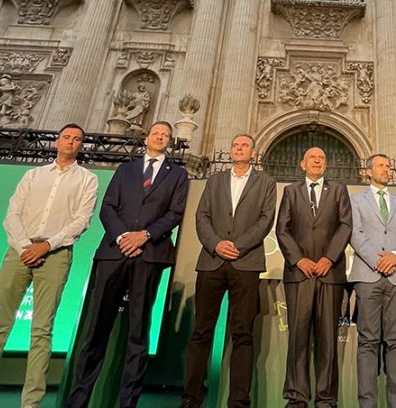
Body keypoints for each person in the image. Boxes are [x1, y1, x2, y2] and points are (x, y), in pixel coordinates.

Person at [0, 124, 98, 408]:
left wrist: (46, 246)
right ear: (57, 141)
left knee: (42, 330)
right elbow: (12, 214)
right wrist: (25, 247)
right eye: (67, 137)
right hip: (18, 252)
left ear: (81, 145)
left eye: (77, 139)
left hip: (56, 254)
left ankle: (31, 403)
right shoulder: (32, 175)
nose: (71, 142)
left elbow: (82, 220)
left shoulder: (87, 179)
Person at [65, 121, 190, 408]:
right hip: (114, 252)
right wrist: (123, 236)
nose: (160, 137)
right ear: (147, 139)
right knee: (96, 329)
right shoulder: (126, 170)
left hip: (149, 254)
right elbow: (108, 207)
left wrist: (144, 235)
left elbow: (176, 212)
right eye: (156, 133)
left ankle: (127, 403)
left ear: (170, 142)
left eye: (166, 135)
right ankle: (78, 399)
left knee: (138, 330)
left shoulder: (178, 175)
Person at [181, 134, 278, 408]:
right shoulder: (215, 180)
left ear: (254, 152)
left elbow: (265, 219)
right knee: (201, 331)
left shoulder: (266, 182)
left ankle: (238, 401)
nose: (238, 148)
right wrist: (216, 244)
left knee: (243, 333)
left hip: (245, 263)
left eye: (244, 145)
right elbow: (202, 216)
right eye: (235, 145)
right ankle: (191, 398)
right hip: (212, 261)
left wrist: (237, 245)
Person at [276, 147, 353, 408]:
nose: (317, 161)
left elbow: (345, 225)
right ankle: (296, 397)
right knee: (298, 337)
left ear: (326, 164)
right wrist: (299, 259)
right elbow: (282, 229)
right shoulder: (291, 192)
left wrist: (328, 258)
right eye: (312, 158)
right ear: (302, 164)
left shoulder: (339, 190)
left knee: (327, 340)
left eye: (321, 158)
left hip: (329, 273)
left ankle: (326, 398)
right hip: (299, 274)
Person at [349, 154, 396, 408]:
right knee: (367, 342)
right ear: (368, 172)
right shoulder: (355, 200)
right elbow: (354, 233)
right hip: (368, 275)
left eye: (388, 165)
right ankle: (367, 404)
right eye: (381, 165)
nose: (387, 169)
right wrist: (378, 260)